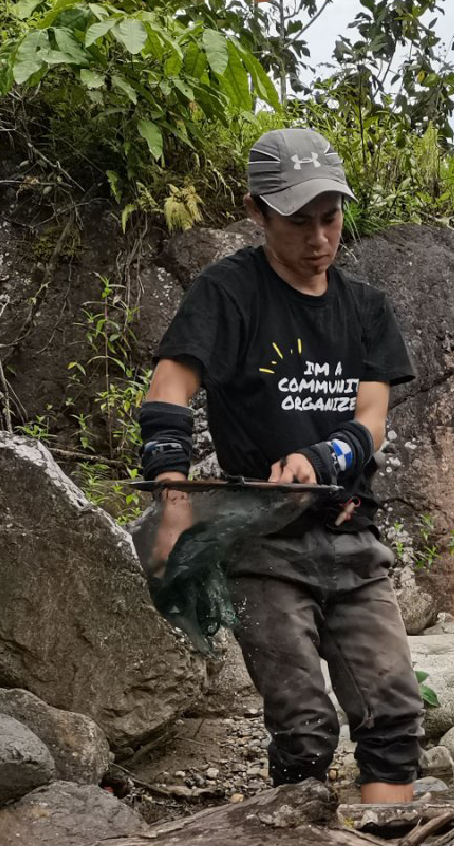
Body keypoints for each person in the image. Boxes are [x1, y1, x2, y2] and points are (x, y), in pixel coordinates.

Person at [140, 127, 423, 804]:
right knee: (303, 727)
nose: (320, 238)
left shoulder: (366, 310)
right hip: (262, 546)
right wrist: (173, 503)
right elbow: (167, 393)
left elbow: (372, 420)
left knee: (395, 718)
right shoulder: (228, 295)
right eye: (299, 222)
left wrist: (322, 457)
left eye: (331, 218)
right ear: (257, 212)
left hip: (352, 533)